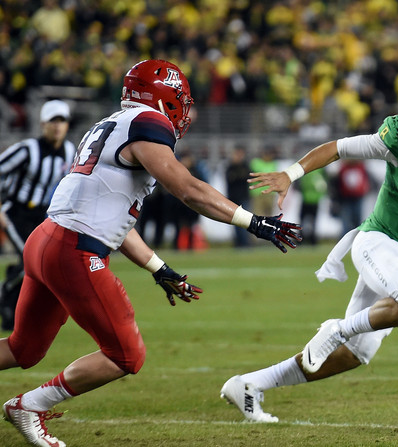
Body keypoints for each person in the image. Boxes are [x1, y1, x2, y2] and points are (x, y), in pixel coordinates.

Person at [0, 59, 301, 447]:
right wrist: (254, 222)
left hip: (45, 240)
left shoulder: (109, 125)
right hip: (72, 250)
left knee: (23, 347)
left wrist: (159, 268)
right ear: (162, 97)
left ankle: (28, 405)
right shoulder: (148, 123)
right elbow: (188, 189)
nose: (183, 109)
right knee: (126, 355)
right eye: (179, 99)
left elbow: (111, 216)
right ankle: (30, 405)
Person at [220, 65, 398, 422]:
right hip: (377, 242)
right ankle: (336, 328)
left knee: (356, 354)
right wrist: (290, 174)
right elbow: (338, 149)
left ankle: (249, 384)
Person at [0, 99, 76, 331]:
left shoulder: (70, 151)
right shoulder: (27, 150)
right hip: (15, 212)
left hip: (42, 217)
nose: (57, 126)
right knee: (31, 260)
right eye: (53, 120)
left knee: (39, 263)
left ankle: (9, 297)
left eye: (62, 120)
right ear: (43, 123)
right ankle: (8, 297)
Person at [225, 145, 252, 248]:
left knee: (245, 222)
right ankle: (239, 242)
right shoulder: (230, 166)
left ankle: (245, 243)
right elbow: (230, 179)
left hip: (244, 197)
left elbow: (247, 177)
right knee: (236, 223)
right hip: (233, 198)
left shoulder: (245, 166)